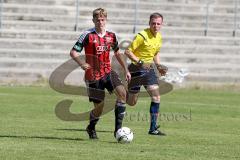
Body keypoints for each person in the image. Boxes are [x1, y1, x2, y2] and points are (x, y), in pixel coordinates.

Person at [70, 8, 131, 139]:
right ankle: (91, 127)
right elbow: (73, 52)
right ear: (93, 20)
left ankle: (118, 131)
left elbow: (117, 53)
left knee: (122, 94)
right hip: (93, 76)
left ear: (106, 20)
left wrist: (126, 69)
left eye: (102, 20)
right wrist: (81, 64)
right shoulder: (87, 35)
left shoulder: (111, 36)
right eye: (97, 20)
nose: (100, 22)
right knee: (100, 108)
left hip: (108, 72)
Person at [124, 12, 167, 136]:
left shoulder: (159, 37)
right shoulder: (141, 36)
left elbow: (155, 53)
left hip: (149, 71)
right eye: (153, 23)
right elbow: (128, 51)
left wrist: (158, 66)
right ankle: (121, 95)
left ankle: (153, 128)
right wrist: (140, 62)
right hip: (136, 69)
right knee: (132, 103)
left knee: (156, 96)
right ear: (149, 23)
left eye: (158, 23)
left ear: (161, 25)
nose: (156, 26)